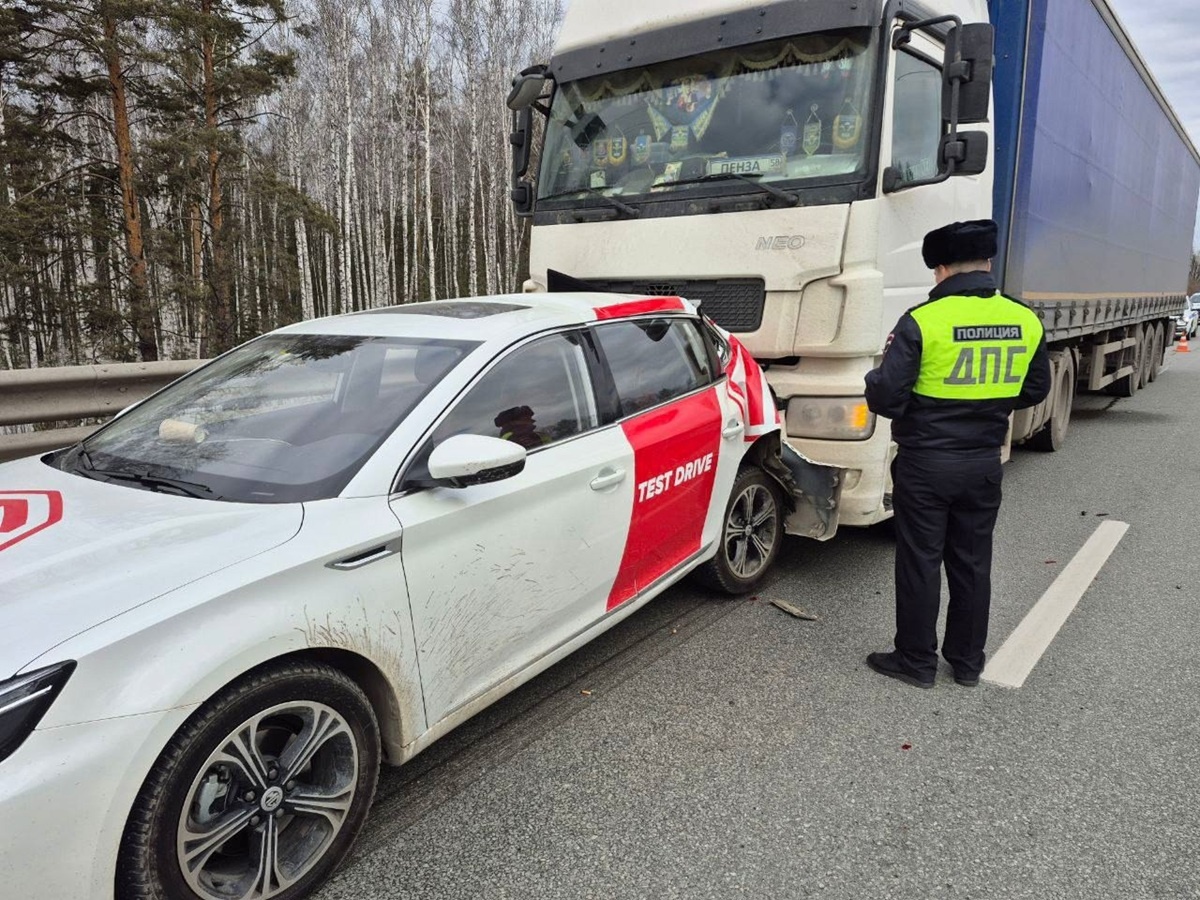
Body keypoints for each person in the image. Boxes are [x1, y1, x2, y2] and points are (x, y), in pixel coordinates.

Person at [863, 219, 1052, 689]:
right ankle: (967, 663)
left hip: (926, 463)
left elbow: (886, 397)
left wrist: (880, 384)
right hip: (984, 461)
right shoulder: (1024, 319)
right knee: (971, 562)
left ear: (941, 269)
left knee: (920, 561)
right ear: (987, 264)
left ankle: (916, 662)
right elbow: (1035, 390)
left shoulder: (923, 321)